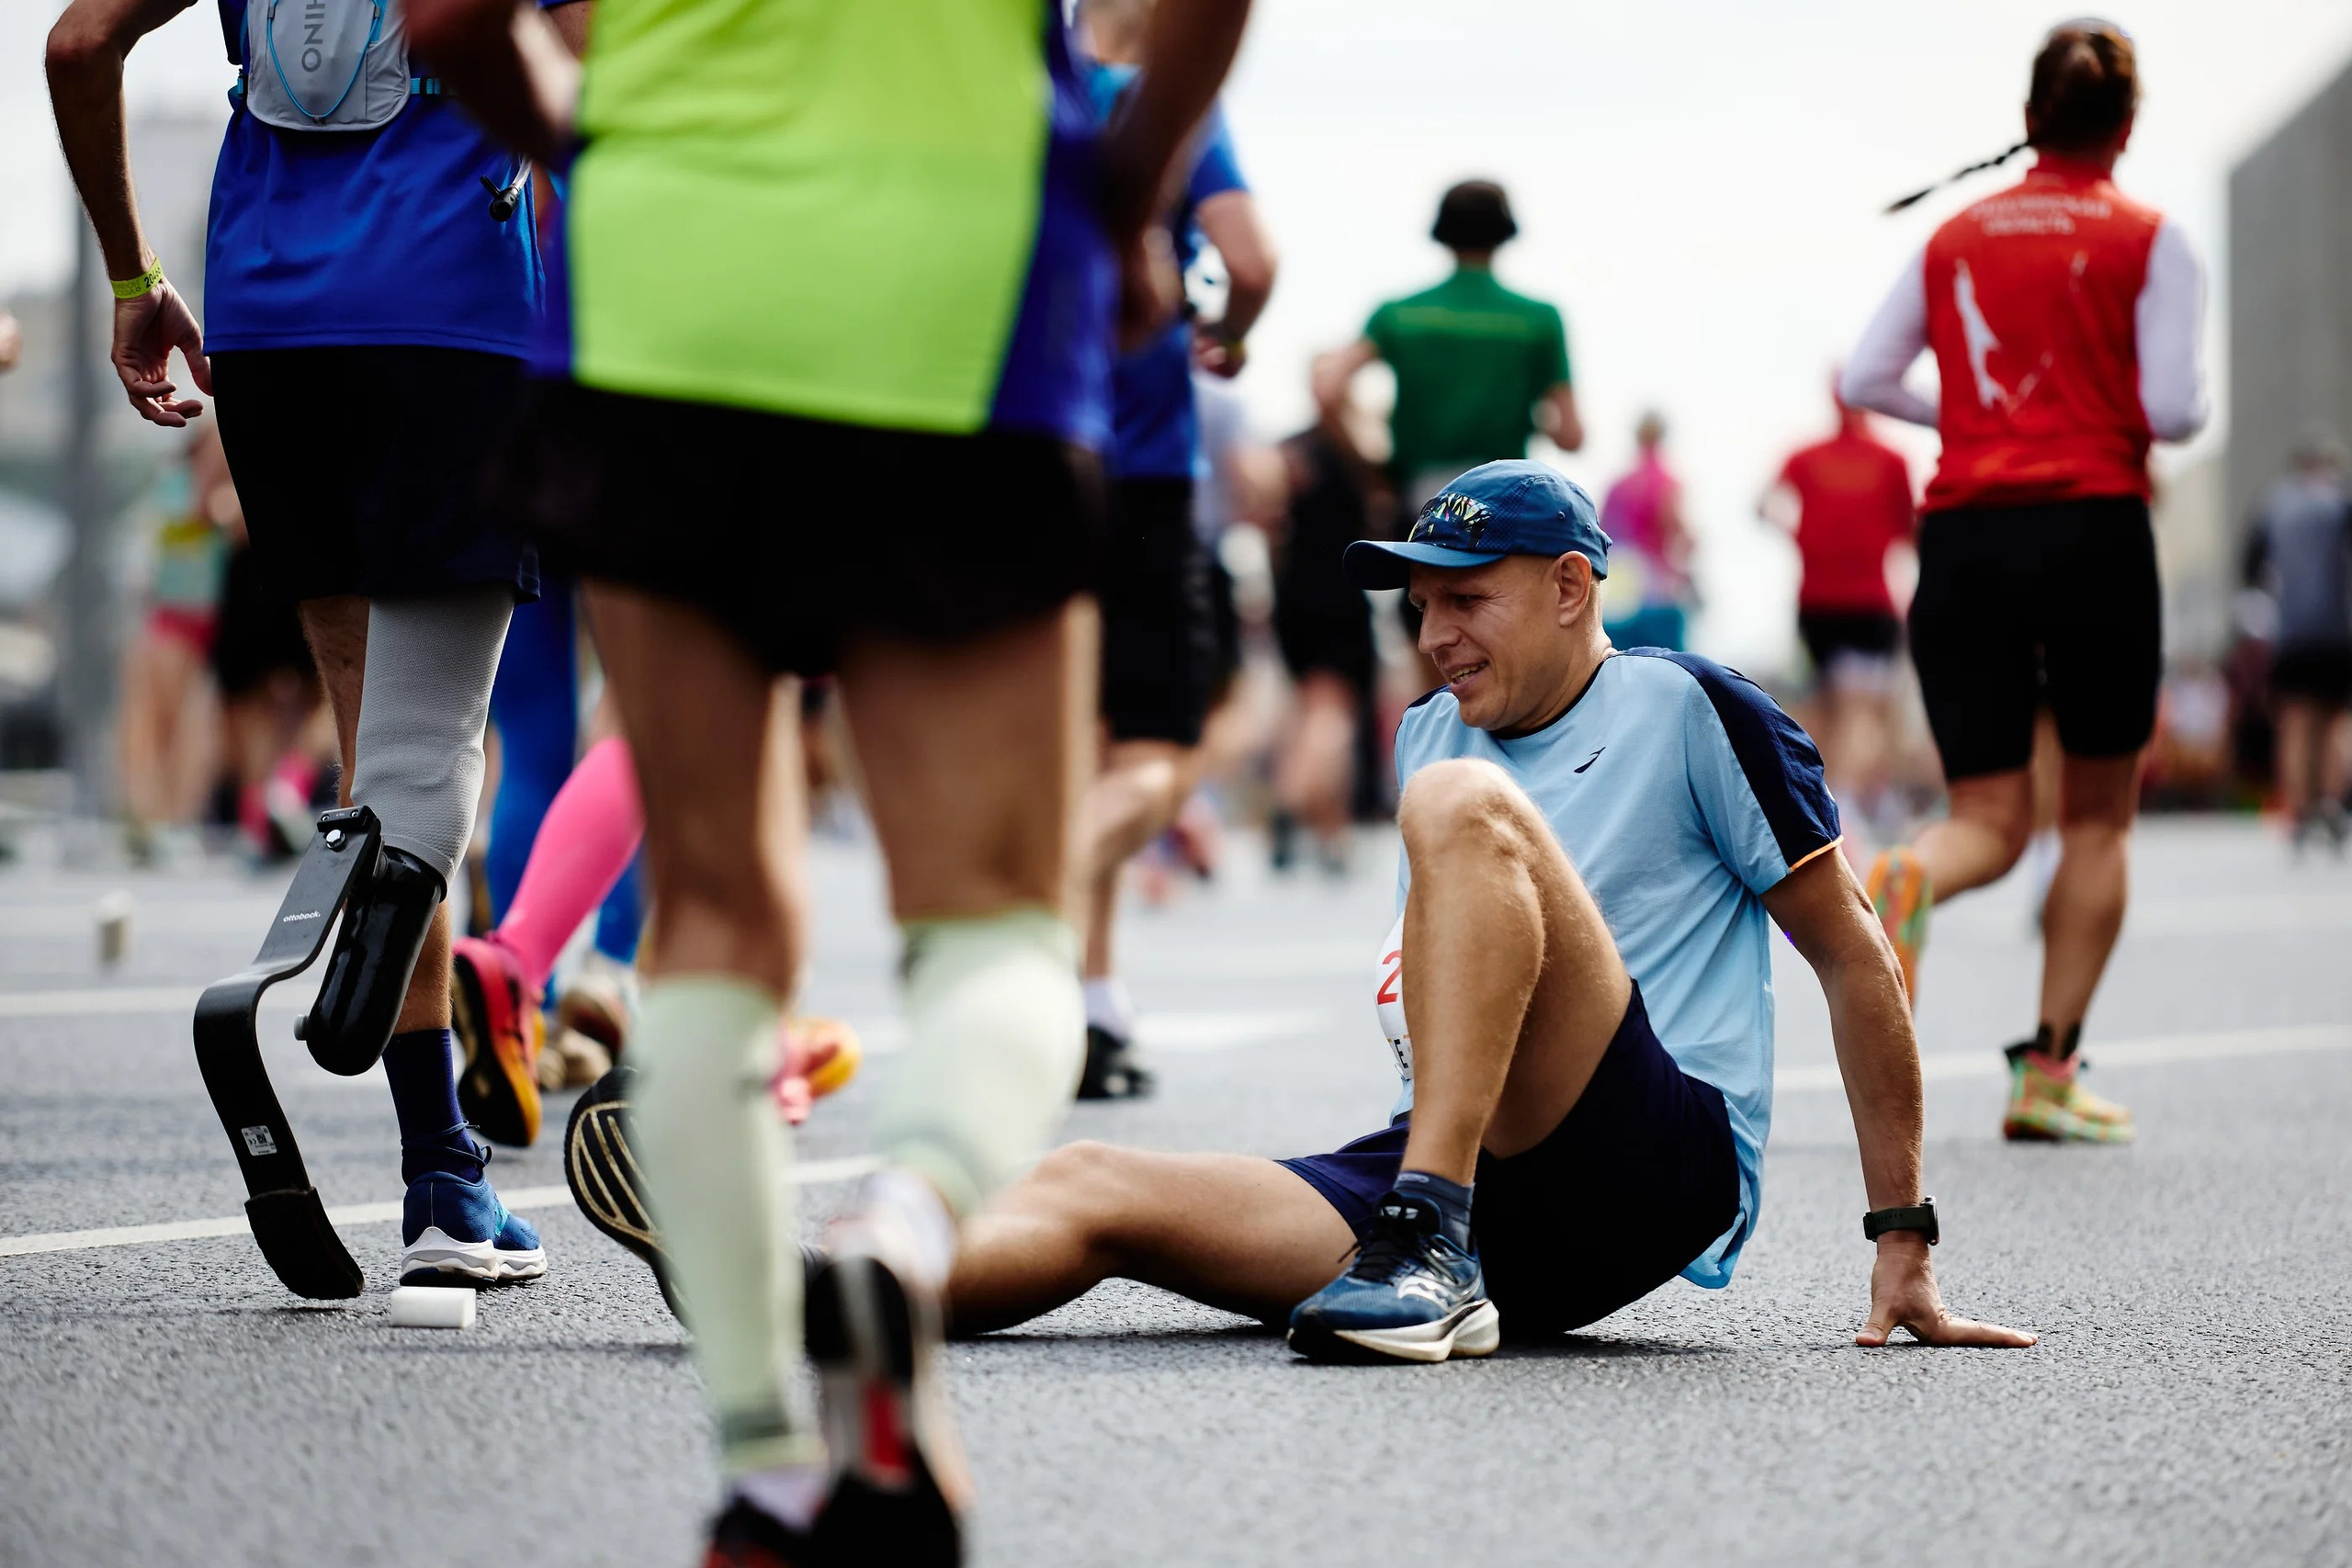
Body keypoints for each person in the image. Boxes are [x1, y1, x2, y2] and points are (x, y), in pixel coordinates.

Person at [559, 461, 2036, 1369]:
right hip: (1442, 1171)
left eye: (1472, 597)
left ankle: (1432, 1245)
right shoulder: (1430, 736)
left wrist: (1901, 1234)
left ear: (1579, 586)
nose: (1437, 633)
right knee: (1090, 1181)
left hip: (1649, 1157)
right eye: (1419, 605)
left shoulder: (1689, 704)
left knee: (1468, 817)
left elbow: (1854, 951)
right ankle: (800, 1290)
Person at [409, 0, 1251, 1560]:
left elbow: (449, 16)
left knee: (712, 925)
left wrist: (594, 136)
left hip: (666, 289)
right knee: (996, 923)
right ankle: (908, 1219)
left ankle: (765, 1459)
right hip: (968, 275)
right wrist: (1120, 198)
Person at [48, 0, 564, 1288]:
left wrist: (133, 280)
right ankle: (438, 1171)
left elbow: (75, 45)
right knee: (433, 742)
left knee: (368, 731)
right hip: (451, 307)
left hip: (269, 326)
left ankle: (442, 1164)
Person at [1841, 19, 2208, 1145]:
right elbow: (2179, 410)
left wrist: (1969, 414)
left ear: (2026, 119)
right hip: (2094, 529)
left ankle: (1906, 875)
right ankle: (2047, 1073)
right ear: (2127, 125)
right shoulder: (2151, 237)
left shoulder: (1954, 235)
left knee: (1988, 820)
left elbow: (1865, 375)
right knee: (2095, 820)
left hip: (1966, 536)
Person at [1075, 0, 1277, 1100]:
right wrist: (1231, 334)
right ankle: (1039, 906)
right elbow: (1247, 259)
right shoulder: (1163, 105)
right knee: (1153, 754)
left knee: (1080, 738)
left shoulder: (1022, 86)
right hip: (1142, 465)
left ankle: (1089, 998)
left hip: (1014, 446)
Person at [1761, 380, 1918, 830]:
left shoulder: (1805, 457)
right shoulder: (1892, 460)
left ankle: (1816, 802)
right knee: (1862, 710)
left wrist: (1801, 537)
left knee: (1823, 706)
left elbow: (1763, 504)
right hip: (1868, 603)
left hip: (1815, 604)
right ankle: (1842, 810)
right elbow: (1910, 530)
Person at [1269, 400, 1381, 874]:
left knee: (1310, 707)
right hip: (1340, 591)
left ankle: (1331, 831)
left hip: (1293, 592)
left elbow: (1267, 523)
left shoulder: (1290, 450)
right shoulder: (1360, 448)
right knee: (1333, 712)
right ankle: (1292, 797)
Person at [117, 429, 230, 863]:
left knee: (193, 729)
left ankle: (176, 820)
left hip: (205, 622)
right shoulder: (177, 489)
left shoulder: (227, 496)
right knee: (156, 724)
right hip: (171, 620)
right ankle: (154, 820)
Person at [2245, 437, 2352, 850]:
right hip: (2339, 631)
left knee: (2295, 724)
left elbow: (2251, 570)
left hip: (2291, 633)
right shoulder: (2341, 503)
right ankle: (2330, 801)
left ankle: (2300, 808)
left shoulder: (2274, 507)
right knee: (2337, 722)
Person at [1599, 412, 1695, 651]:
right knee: (1667, 664)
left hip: (1622, 588)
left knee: (1621, 660)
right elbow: (1678, 531)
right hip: (1658, 589)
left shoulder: (1618, 485)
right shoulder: (1666, 481)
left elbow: (1601, 533)